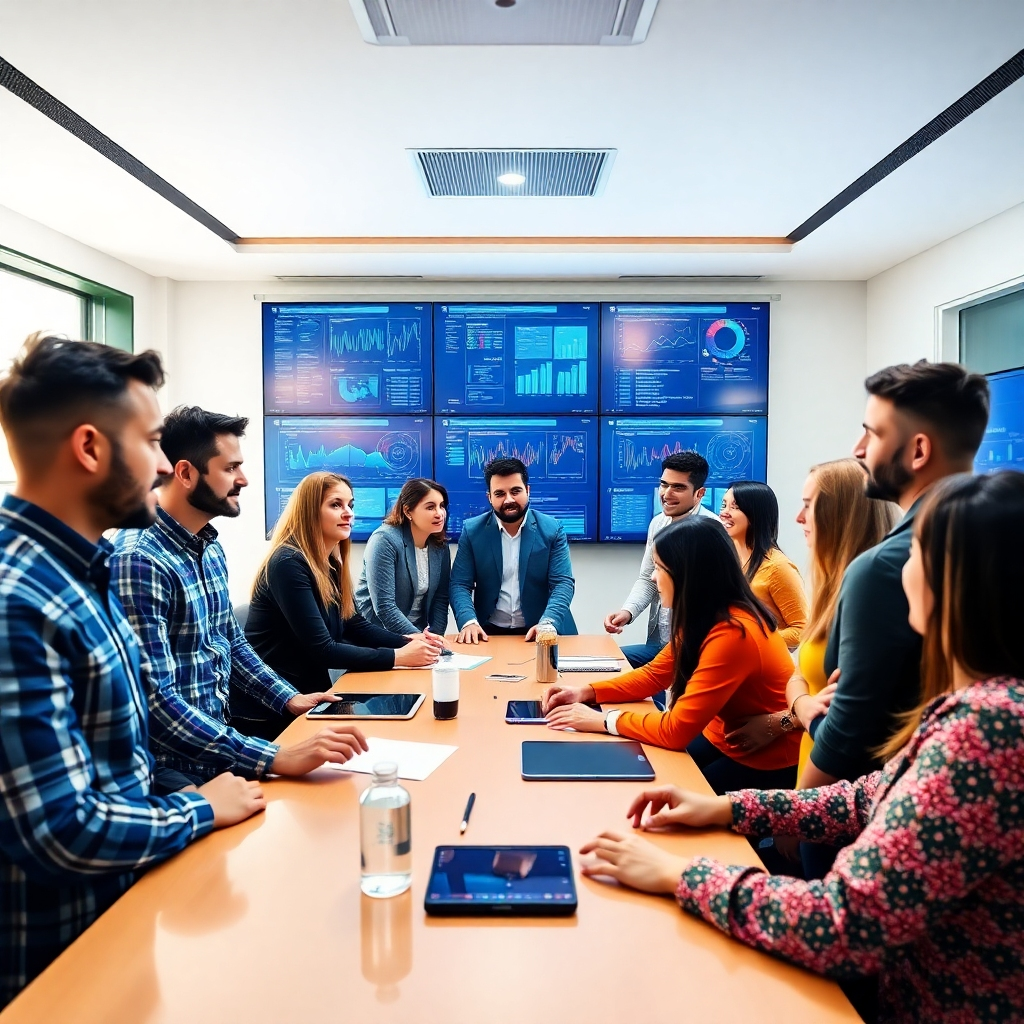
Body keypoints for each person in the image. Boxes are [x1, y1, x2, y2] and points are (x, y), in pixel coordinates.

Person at [579, 471, 1024, 1024]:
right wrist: (725, 808)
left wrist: (678, 874)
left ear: (955, 580)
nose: (899, 565)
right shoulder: (982, 705)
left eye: (914, 550)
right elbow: (865, 798)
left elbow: (842, 922)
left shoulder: (991, 728)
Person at [0, 335, 265, 1008]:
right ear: (90, 448)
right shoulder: (17, 602)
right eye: (150, 442)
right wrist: (199, 806)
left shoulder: (84, 571)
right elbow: (63, 830)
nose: (160, 464)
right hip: (62, 968)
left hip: (124, 921)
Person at [111, 408, 370, 788]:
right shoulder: (140, 560)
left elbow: (232, 642)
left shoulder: (209, 548)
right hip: (174, 770)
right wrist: (276, 756)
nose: (245, 480)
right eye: (231, 468)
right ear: (184, 473)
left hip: (220, 746)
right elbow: (156, 705)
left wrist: (288, 698)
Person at [802, 361, 989, 794]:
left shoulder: (886, 566)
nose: (859, 449)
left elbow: (848, 733)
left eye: (874, 433)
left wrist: (794, 813)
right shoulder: (990, 541)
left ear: (918, 451)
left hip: (865, 806)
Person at [543, 516, 799, 794]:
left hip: (766, 759)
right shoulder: (705, 614)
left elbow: (675, 730)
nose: (653, 577)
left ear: (689, 574)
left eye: (661, 568)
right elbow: (655, 675)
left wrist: (602, 720)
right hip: (721, 737)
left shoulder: (734, 633)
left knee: (669, 799)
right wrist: (586, 692)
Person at [247, 473, 442, 723]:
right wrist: (399, 656)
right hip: (275, 704)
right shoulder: (288, 563)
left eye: (350, 505)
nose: (348, 512)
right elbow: (324, 650)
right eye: (335, 505)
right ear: (309, 511)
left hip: (312, 693)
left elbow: (352, 623)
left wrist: (406, 640)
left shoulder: (328, 563)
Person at [788, 460, 899, 779]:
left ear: (841, 515)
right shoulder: (829, 586)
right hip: (810, 768)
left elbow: (851, 733)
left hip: (833, 791)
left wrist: (805, 713)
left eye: (809, 506)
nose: (799, 518)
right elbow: (798, 676)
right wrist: (803, 706)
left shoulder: (871, 597)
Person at [603, 451, 719, 669]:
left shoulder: (713, 531)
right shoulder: (658, 523)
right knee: (610, 666)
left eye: (678, 487)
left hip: (697, 647)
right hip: (660, 641)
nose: (667, 494)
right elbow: (648, 578)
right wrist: (627, 612)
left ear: (700, 493)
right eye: (664, 485)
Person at [450, 457, 576, 643]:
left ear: (528, 491)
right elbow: (460, 584)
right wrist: (468, 621)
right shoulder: (472, 531)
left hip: (541, 631)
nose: (509, 500)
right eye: (500, 493)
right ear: (489, 498)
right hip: (489, 634)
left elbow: (563, 583)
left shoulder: (552, 529)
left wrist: (548, 622)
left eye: (515, 491)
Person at [355, 478, 452, 636]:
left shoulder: (440, 546)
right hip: (377, 634)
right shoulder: (384, 540)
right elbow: (385, 607)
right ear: (408, 511)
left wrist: (436, 638)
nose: (440, 513)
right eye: (430, 507)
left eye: (442, 506)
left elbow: (440, 599)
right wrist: (421, 641)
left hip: (418, 633)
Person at [719, 480, 807, 649]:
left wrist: (751, 638)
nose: (724, 513)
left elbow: (801, 630)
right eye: (724, 505)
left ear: (755, 514)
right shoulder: (726, 558)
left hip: (762, 666)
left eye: (735, 507)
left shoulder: (778, 567)